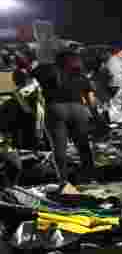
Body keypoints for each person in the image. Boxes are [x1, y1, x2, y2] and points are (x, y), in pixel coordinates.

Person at [32, 50, 98, 184]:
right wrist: (95, 114)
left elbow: (31, 87)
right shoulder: (80, 76)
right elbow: (91, 100)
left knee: (59, 148)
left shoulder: (46, 72)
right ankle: (90, 176)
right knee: (83, 145)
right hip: (78, 109)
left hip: (55, 109)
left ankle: (63, 180)